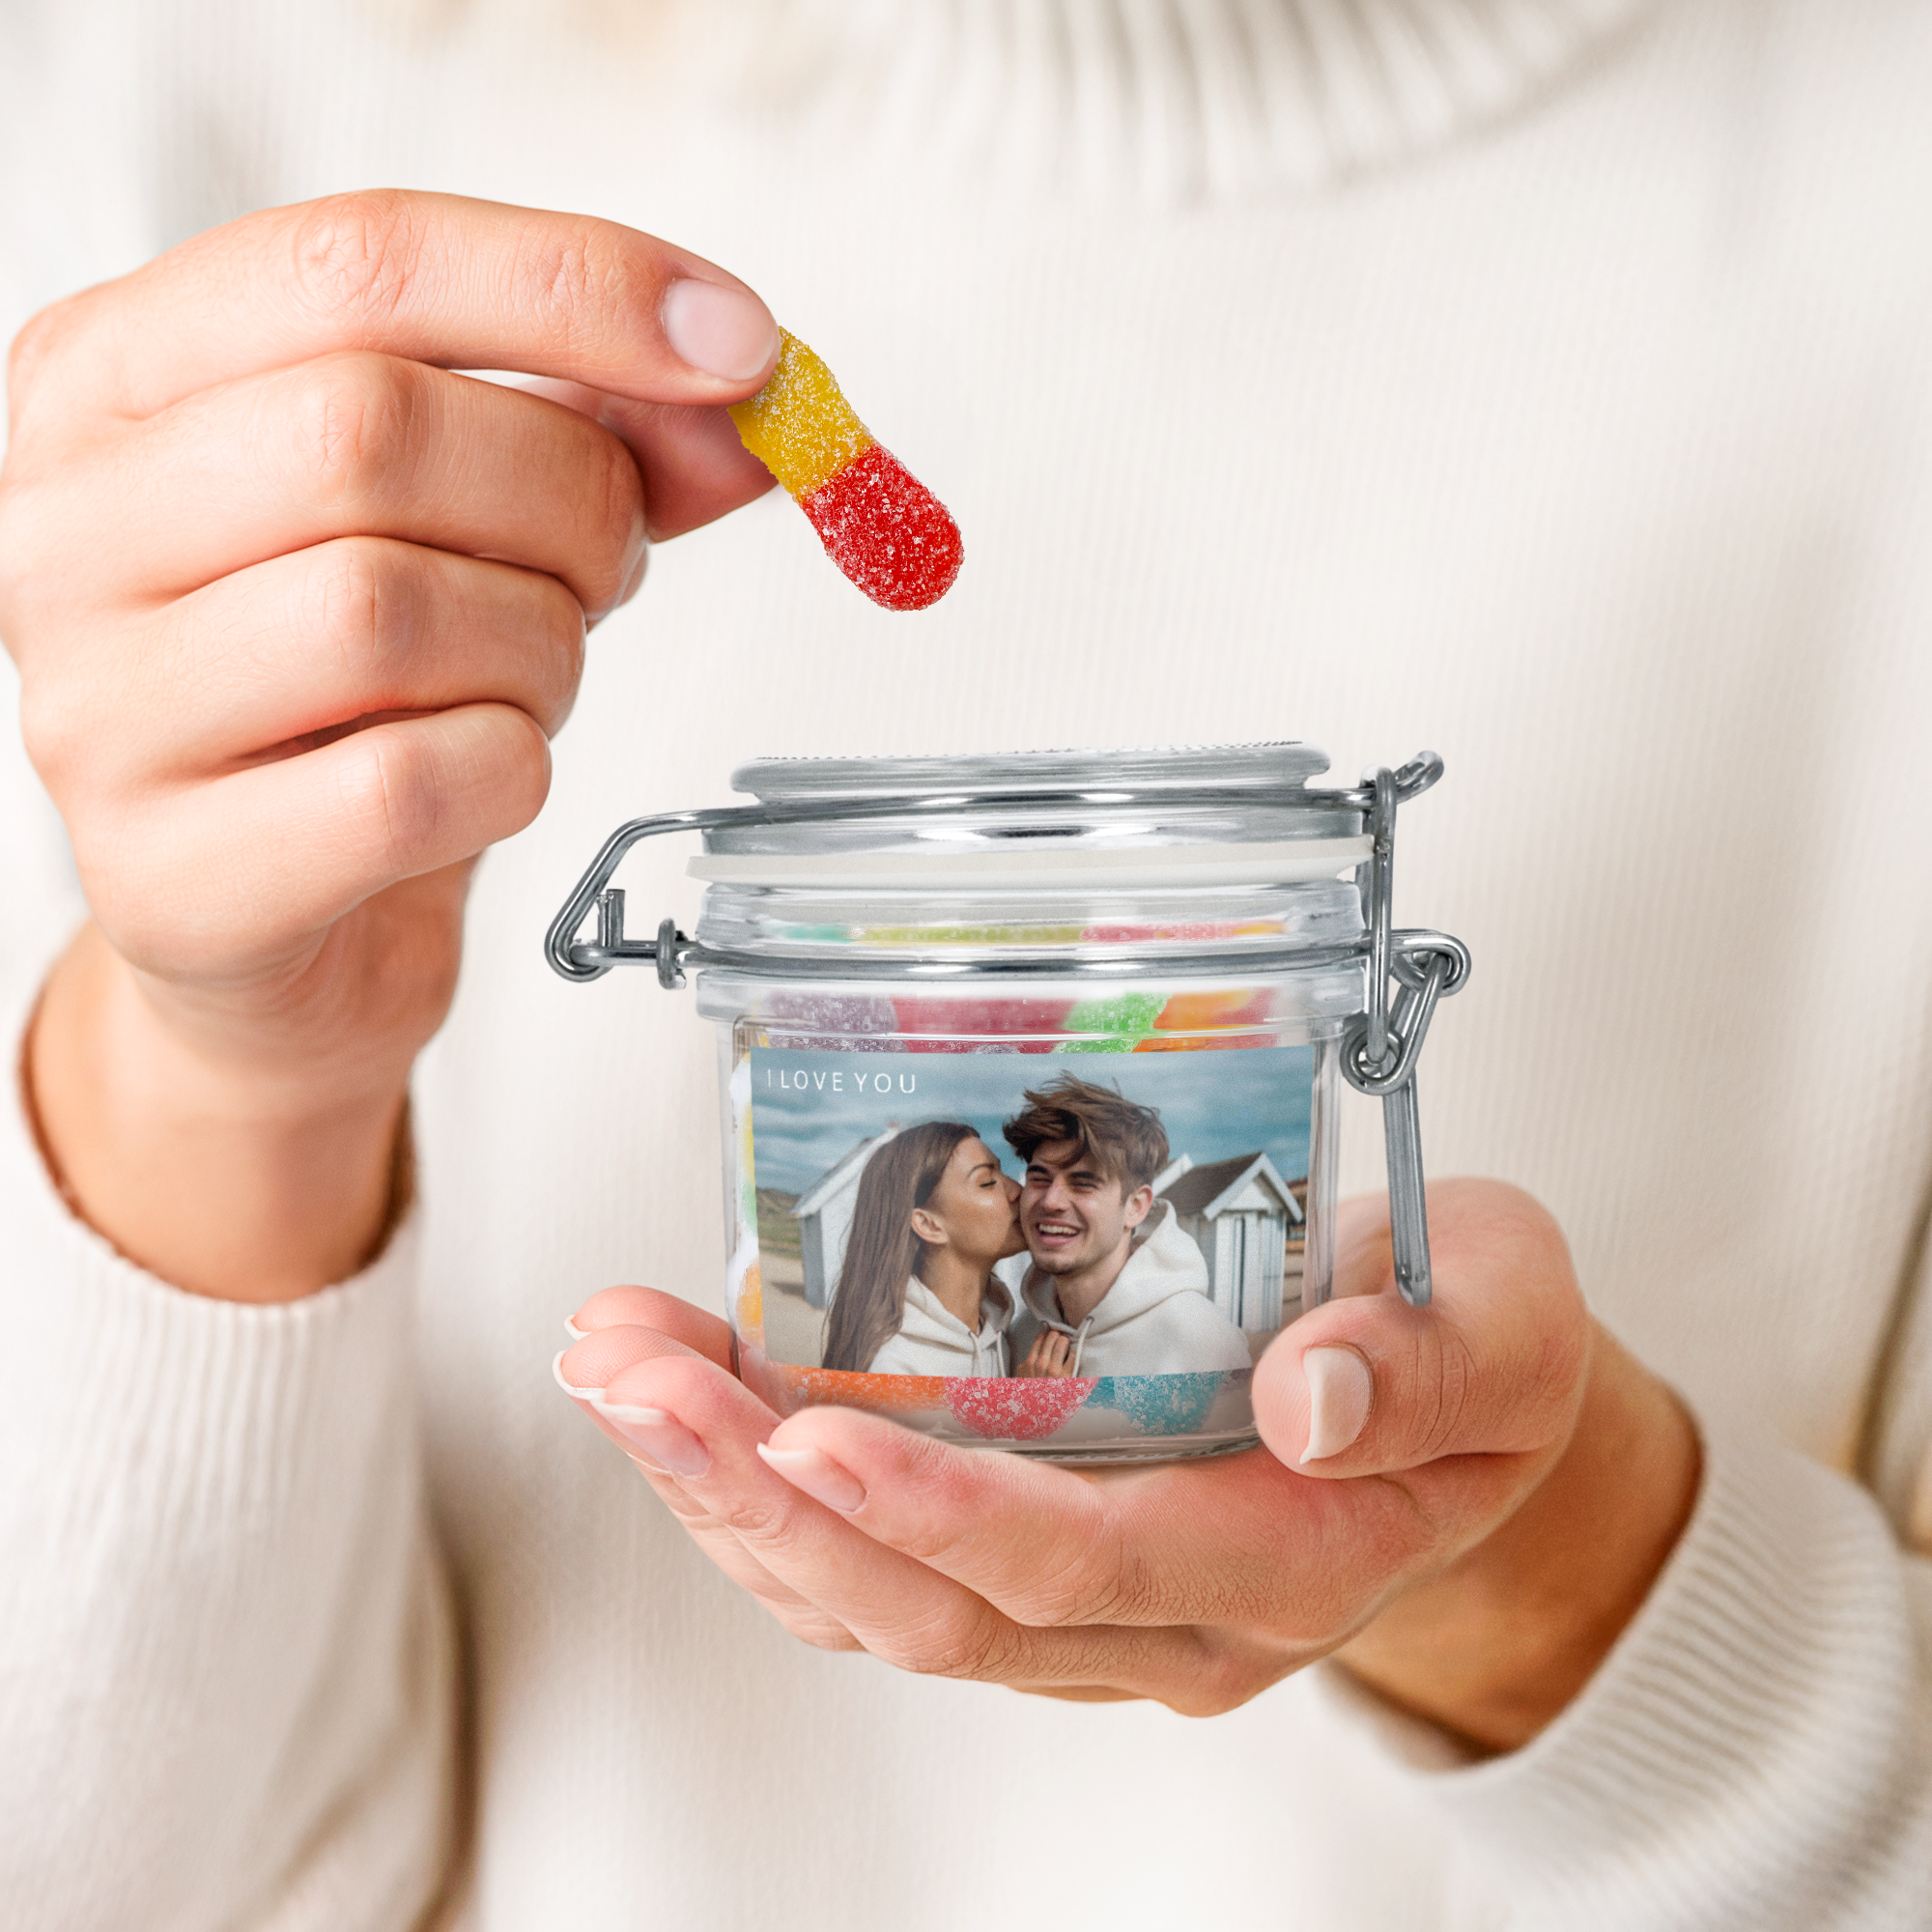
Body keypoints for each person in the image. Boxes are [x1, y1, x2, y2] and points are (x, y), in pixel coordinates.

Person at [3, 5, 1931, 1929]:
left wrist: (1550, 1583)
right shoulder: (193, 114)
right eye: (1007, 1174)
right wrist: (225, 1072)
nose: (1030, 1194)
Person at [996, 1074, 1254, 1378]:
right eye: (1039, 1178)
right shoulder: (1019, 1338)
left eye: (1083, 1183)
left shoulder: (1203, 1344)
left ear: (1136, 1207)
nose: (1051, 1201)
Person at [818, 1122, 1021, 1377]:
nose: (1017, 1191)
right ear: (929, 1225)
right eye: (987, 1182)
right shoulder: (893, 1370)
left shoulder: (999, 1337)